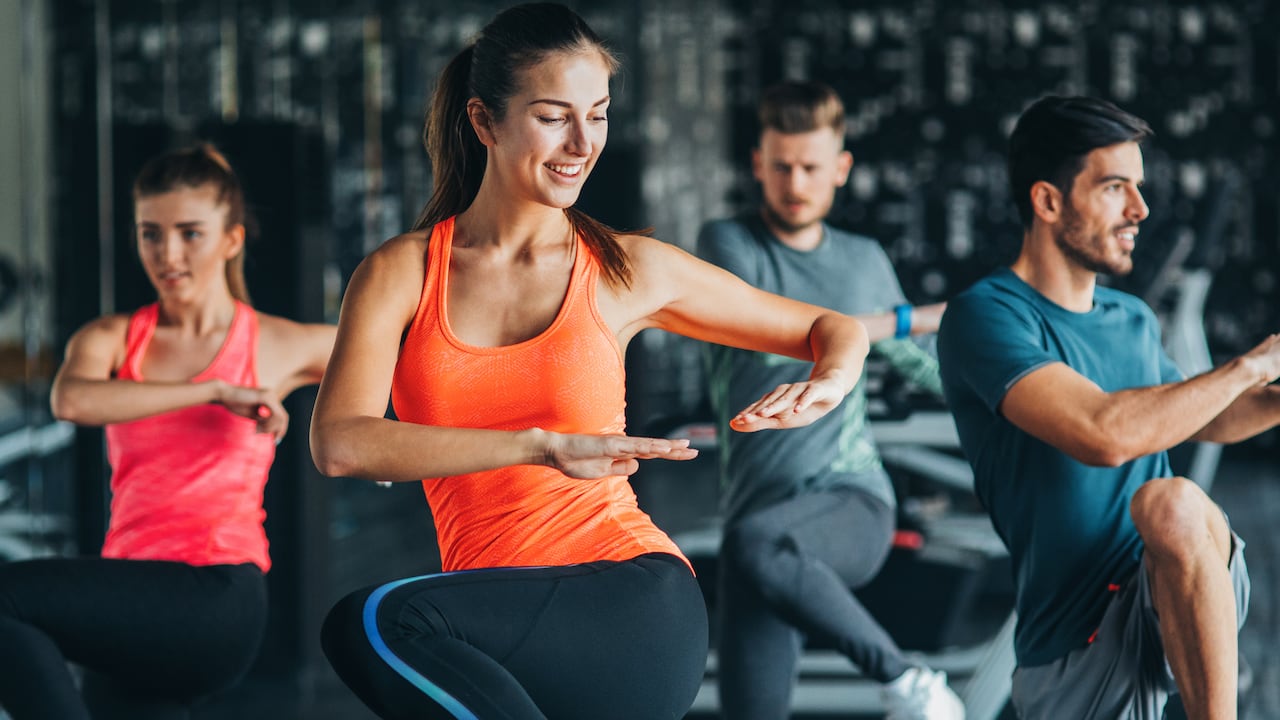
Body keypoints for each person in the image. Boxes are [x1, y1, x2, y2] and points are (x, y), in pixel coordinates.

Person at [309, 5, 871, 720]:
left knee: (378, 624)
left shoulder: (623, 270)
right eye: (554, 116)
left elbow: (834, 328)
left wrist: (829, 381)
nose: (583, 143)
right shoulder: (402, 273)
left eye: (598, 115)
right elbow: (341, 442)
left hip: (629, 597)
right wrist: (539, 446)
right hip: (500, 626)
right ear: (484, 121)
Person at [938, 95, 1279, 719]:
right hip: (1074, 640)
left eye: (1139, 188)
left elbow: (1209, 417)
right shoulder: (986, 317)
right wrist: (1250, 365)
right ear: (1048, 201)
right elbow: (1104, 434)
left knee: (1173, 503)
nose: (1140, 210)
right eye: (1116, 187)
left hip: (1174, 580)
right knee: (1167, 500)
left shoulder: (1132, 319)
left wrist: (1272, 395)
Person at [0, 144, 335, 720]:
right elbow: (72, 399)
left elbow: (406, 358)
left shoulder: (277, 343)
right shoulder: (111, 337)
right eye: (150, 233)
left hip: (214, 597)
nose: (167, 253)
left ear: (232, 239)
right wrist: (213, 390)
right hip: (133, 603)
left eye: (189, 233)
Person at [696, 80, 964, 720]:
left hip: (851, 501)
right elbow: (772, 344)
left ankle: (909, 685)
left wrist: (1013, 379)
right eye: (781, 166)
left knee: (757, 546)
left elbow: (923, 367)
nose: (795, 182)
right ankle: (909, 685)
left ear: (840, 169)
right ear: (758, 165)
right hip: (756, 521)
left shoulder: (865, 260)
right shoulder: (727, 244)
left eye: (811, 167)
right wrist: (905, 317)